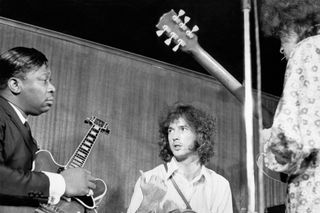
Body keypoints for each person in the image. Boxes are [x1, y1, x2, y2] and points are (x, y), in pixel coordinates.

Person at [0, 47, 96, 207]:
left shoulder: (21, 127)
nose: (52, 88)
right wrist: (61, 183)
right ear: (15, 85)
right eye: (44, 80)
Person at [260, 0, 320, 212]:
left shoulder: (306, 51)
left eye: (280, 36)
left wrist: (269, 143)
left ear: (291, 24)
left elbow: (288, 147)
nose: (281, 48)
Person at [127, 103, 233, 213]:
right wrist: (147, 203)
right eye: (170, 130)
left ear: (200, 134)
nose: (174, 137)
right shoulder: (149, 180)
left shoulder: (219, 186)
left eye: (183, 129)